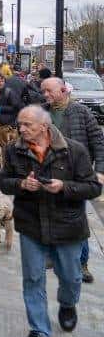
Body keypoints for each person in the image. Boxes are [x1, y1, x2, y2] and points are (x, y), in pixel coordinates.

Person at [0, 106, 102, 337]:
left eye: (27, 125)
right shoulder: (15, 149)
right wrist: (21, 184)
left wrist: (64, 187)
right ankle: (39, 332)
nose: (21, 129)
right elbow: (3, 182)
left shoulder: (73, 150)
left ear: (44, 127)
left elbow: (93, 188)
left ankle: (68, 304)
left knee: (71, 277)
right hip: (31, 225)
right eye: (20, 124)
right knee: (33, 278)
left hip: (67, 226)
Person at [40, 77, 104, 284]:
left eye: (49, 91)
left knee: (77, 218)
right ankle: (51, 254)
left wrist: (100, 171)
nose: (45, 95)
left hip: (76, 175)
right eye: (43, 91)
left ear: (63, 90)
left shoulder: (81, 112)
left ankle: (81, 263)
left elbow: (98, 141)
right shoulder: (42, 112)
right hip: (48, 172)